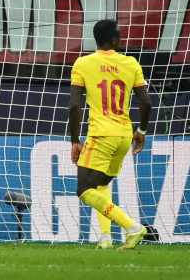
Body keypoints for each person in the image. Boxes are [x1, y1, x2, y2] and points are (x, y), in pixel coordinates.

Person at [68, 19, 152, 250]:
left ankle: (132, 227)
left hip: (101, 134)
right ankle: (105, 238)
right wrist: (141, 131)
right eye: (119, 35)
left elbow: (75, 106)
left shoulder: (83, 63)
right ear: (114, 39)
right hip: (124, 136)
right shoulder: (130, 63)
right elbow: (146, 102)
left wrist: (75, 140)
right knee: (101, 184)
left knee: (84, 190)